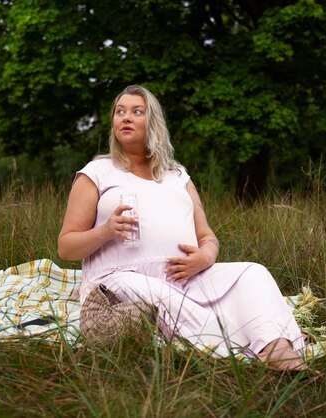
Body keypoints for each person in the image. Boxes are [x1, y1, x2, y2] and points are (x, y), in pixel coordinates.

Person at [58, 85, 308, 371]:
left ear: (153, 122)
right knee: (158, 296)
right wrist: (105, 231)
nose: (125, 117)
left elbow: (207, 236)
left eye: (137, 111)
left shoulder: (177, 175)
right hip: (121, 278)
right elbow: (66, 246)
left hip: (186, 278)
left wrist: (205, 257)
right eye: (120, 111)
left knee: (253, 273)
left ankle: (275, 348)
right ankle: (259, 341)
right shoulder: (97, 172)